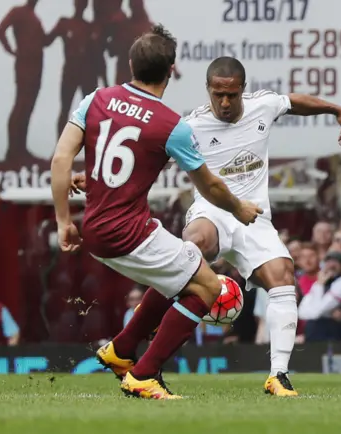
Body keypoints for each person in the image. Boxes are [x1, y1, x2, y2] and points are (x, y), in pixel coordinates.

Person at [72, 56, 341, 396]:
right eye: (218, 94)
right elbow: (143, 160)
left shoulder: (262, 106)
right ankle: (134, 341)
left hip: (254, 217)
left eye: (232, 95)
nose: (224, 102)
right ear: (208, 90)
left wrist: (335, 109)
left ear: (242, 91)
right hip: (214, 210)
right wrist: (93, 182)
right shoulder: (191, 125)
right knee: (194, 246)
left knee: (283, 278)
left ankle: (278, 376)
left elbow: (294, 102)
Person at [51, 25, 261, 400]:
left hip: (94, 228)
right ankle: (144, 374)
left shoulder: (95, 99)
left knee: (185, 266)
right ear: (171, 70)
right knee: (209, 288)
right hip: (128, 233)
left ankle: (122, 349)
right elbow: (209, 186)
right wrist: (239, 207)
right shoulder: (171, 125)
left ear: (130, 64)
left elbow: (62, 157)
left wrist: (64, 221)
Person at [0, 0, 46, 161]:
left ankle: (21, 148)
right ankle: (13, 150)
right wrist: (11, 50)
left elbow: (43, 40)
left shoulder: (35, 17)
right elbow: (0, 29)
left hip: (36, 66)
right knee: (21, 104)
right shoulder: (18, 12)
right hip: (25, 65)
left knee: (28, 107)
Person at [45, 0, 97, 137]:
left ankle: (91, 151)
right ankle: (60, 150)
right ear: (75, 3)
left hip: (86, 73)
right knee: (65, 109)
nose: (80, 5)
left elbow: (97, 56)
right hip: (70, 72)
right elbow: (46, 40)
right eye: (79, 2)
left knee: (90, 112)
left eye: (83, 3)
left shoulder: (89, 27)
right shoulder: (65, 23)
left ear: (86, 5)